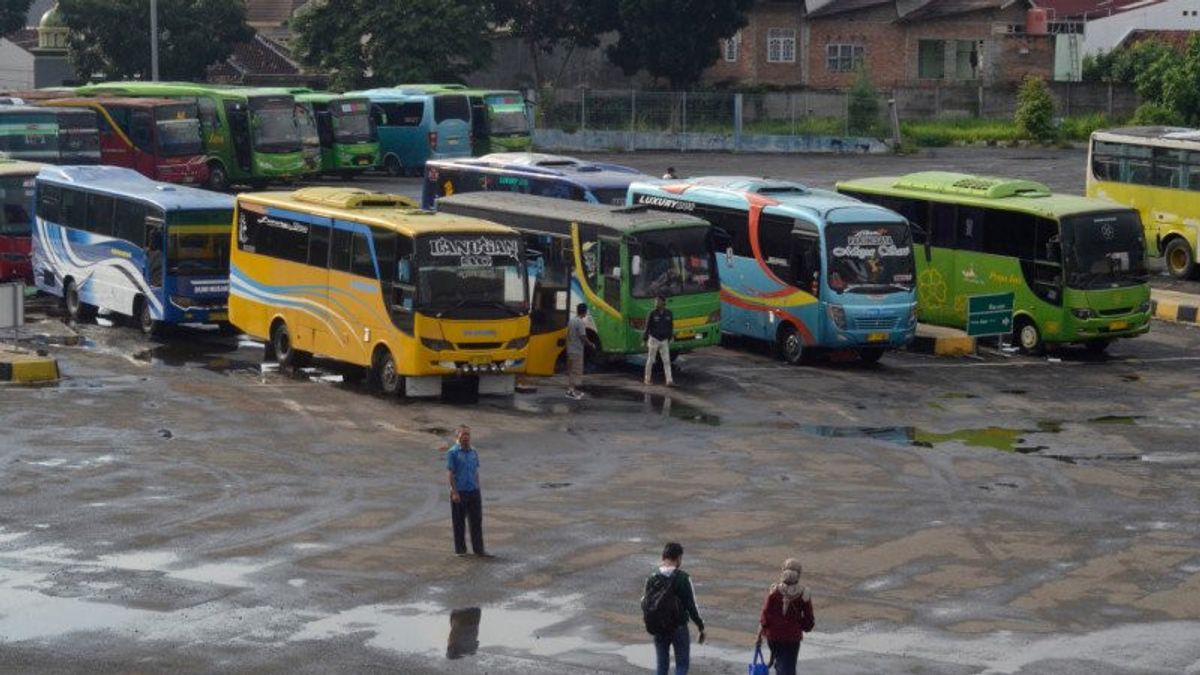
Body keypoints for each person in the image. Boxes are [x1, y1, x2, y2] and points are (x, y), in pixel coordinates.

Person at [643, 542, 705, 675]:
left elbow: (645, 603)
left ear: (663, 557)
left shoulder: (652, 578)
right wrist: (700, 626)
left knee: (662, 665)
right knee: (682, 666)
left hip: (659, 627)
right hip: (679, 627)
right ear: (678, 558)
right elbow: (691, 606)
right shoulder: (683, 578)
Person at [756, 558, 815, 675]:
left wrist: (760, 634)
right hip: (792, 637)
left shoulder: (774, 590)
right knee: (788, 667)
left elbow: (765, 614)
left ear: (783, 571)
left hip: (773, 636)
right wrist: (802, 625)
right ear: (799, 574)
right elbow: (809, 620)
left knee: (781, 662)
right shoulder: (804, 593)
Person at [446, 425, 487, 557]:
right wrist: (454, 492)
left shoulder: (474, 452)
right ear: (457, 437)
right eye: (463, 435)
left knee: (476, 521)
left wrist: (478, 487)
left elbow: (476, 471)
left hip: (473, 491)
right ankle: (461, 550)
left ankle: (479, 549)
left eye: (467, 435)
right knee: (459, 522)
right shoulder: (453, 452)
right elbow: (451, 474)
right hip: (460, 491)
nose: (466, 438)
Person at [643, 295, 675, 387]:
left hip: (664, 340)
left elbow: (671, 326)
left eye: (658, 301)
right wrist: (644, 339)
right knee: (651, 359)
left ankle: (669, 380)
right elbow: (647, 327)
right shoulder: (652, 313)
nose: (656, 303)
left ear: (663, 302)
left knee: (666, 361)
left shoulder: (669, 313)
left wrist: (670, 337)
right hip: (654, 339)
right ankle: (647, 379)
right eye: (655, 301)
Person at [566, 303, 595, 400]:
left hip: (570, 350)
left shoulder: (571, 321)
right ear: (585, 311)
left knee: (571, 372)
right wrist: (591, 344)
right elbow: (583, 337)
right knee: (575, 372)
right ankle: (571, 391)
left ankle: (571, 390)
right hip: (577, 351)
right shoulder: (580, 322)